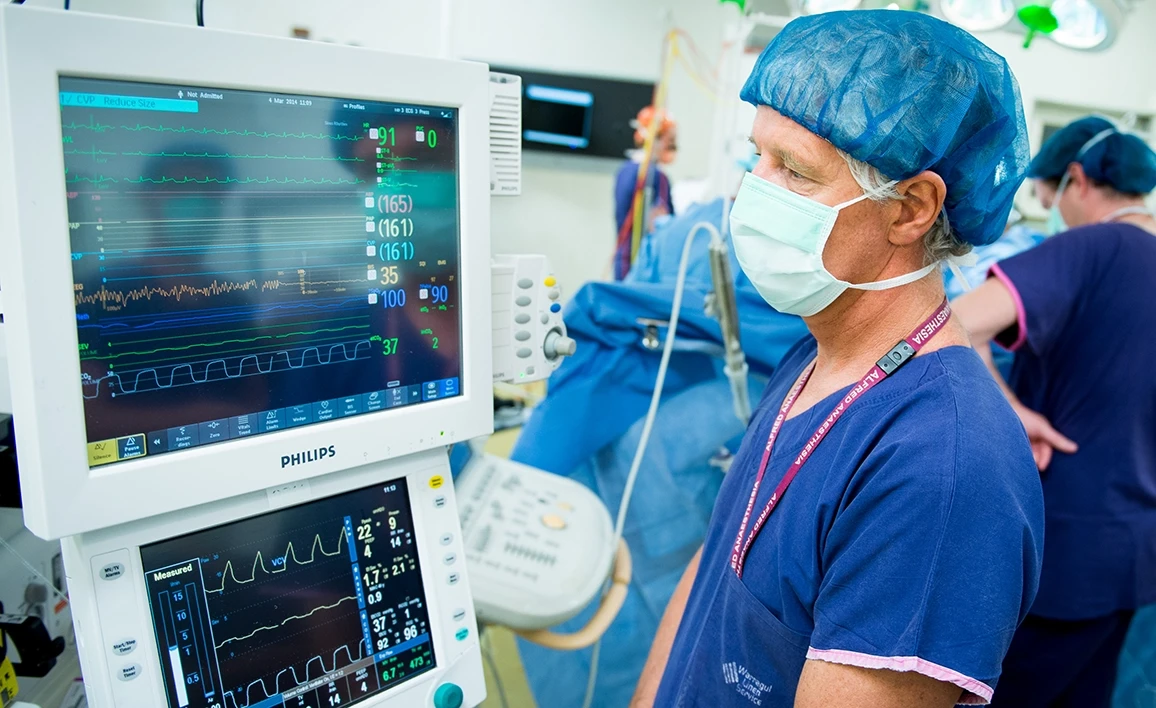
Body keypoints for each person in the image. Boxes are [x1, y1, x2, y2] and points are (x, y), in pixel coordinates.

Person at [631, 11, 1045, 708]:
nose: (752, 191)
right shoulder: (815, 355)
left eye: (794, 171)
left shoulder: (941, 471)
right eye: (756, 157)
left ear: (911, 208)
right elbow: (711, 576)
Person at [952, 115, 1156, 707]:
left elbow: (951, 325)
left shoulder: (1092, 246)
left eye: (1046, 192)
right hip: (1133, 551)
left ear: (1075, 179)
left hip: (1065, 549)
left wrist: (1012, 410)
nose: (1049, 207)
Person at [613, 106, 677, 280]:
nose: (674, 147)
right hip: (642, 264)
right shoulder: (655, 176)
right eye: (670, 140)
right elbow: (660, 223)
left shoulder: (625, 170)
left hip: (624, 260)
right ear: (653, 139)